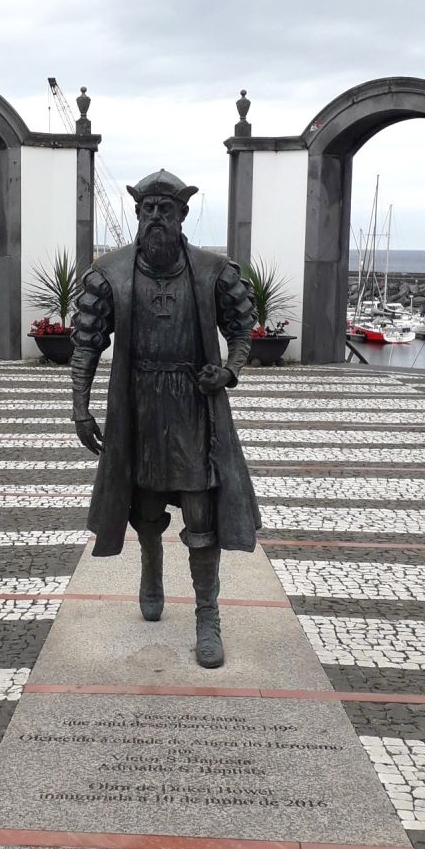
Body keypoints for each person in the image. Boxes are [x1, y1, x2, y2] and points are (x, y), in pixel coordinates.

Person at [70, 168, 260, 668]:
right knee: (147, 505)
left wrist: (229, 371)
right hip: (137, 403)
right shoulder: (109, 273)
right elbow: (87, 342)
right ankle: (151, 570)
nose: (156, 217)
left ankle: (207, 616)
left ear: (182, 216)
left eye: (166, 210)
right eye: (148, 209)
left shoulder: (213, 271)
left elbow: (242, 329)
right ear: (137, 214)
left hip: (194, 404)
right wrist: (80, 406)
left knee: (201, 513)